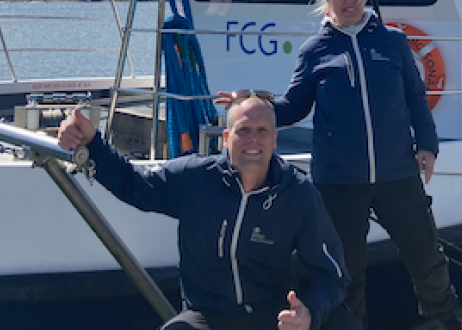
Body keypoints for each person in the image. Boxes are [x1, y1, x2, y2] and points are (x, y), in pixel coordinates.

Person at [217, 0, 461, 330]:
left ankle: (446, 323)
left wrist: (427, 145)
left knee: (427, 259)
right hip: (338, 183)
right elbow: (294, 106)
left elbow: (416, 98)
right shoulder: (315, 50)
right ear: (327, 2)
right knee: (345, 273)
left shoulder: (393, 42)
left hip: (398, 175)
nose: (349, 1)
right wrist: (250, 106)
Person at [57, 94, 359, 330]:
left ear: (275, 140)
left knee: (343, 325)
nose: (253, 139)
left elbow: (332, 276)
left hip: (274, 314)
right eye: (243, 131)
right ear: (226, 139)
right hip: (207, 317)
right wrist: (91, 142)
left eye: (262, 131)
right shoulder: (195, 179)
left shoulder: (298, 194)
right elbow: (130, 183)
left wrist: (309, 313)